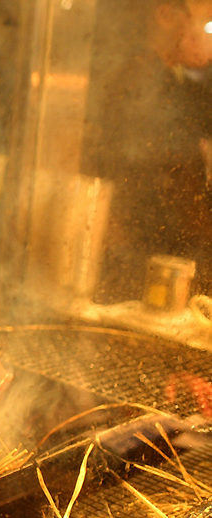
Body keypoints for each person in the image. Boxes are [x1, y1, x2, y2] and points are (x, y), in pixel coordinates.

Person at [86, 0, 212, 303]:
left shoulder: (170, 80)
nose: (210, 34)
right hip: (143, 263)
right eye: (207, 22)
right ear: (166, 15)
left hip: (159, 255)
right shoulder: (139, 82)